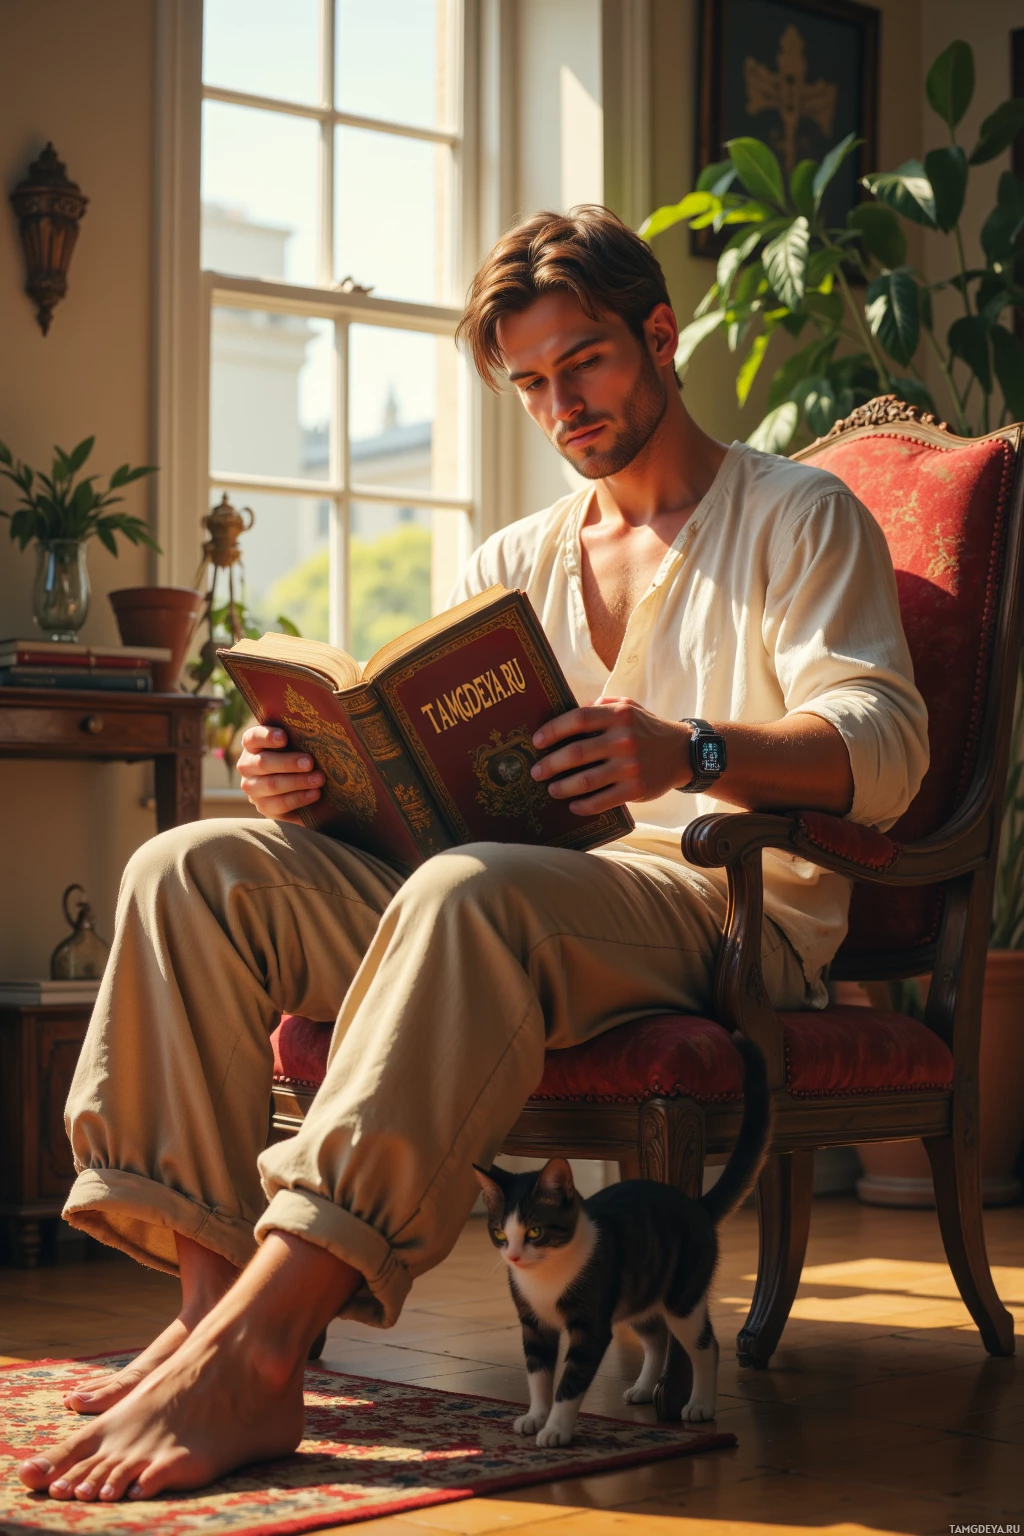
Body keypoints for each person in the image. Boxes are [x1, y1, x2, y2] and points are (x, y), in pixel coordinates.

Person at [19, 206, 928, 1503]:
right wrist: (319, 790)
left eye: (588, 364)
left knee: (466, 892)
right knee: (192, 869)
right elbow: (449, 795)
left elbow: (884, 746)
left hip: (718, 915)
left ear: (660, 337)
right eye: (531, 385)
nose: (561, 406)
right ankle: (216, 1319)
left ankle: (266, 1347)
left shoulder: (801, 516)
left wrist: (692, 752)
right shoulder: (517, 561)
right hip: (507, 898)